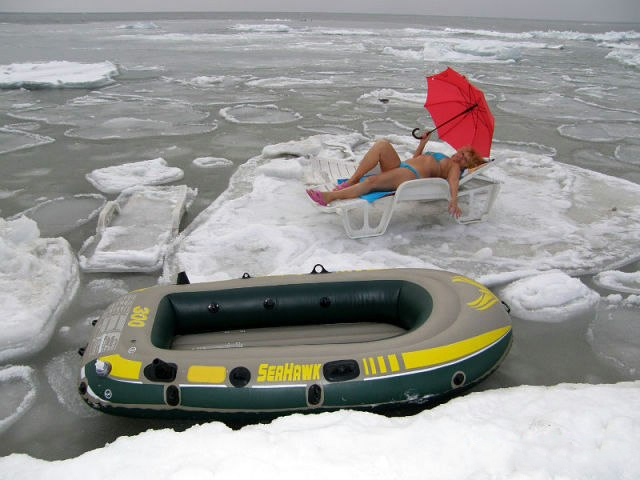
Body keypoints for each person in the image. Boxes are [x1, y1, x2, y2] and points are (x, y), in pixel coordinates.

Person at [306, 132, 486, 218]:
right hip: (402, 166)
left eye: (464, 158)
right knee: (382, 144)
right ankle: (353, 180)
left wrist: (453, 201)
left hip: (410, 176)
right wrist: (423, 143)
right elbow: (416, 159)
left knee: (372, 181)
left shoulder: (454, 168)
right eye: (461, 152)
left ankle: (329, 197)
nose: (459, 156)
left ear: (466, 165)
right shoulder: (446, 158)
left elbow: (453, 182)